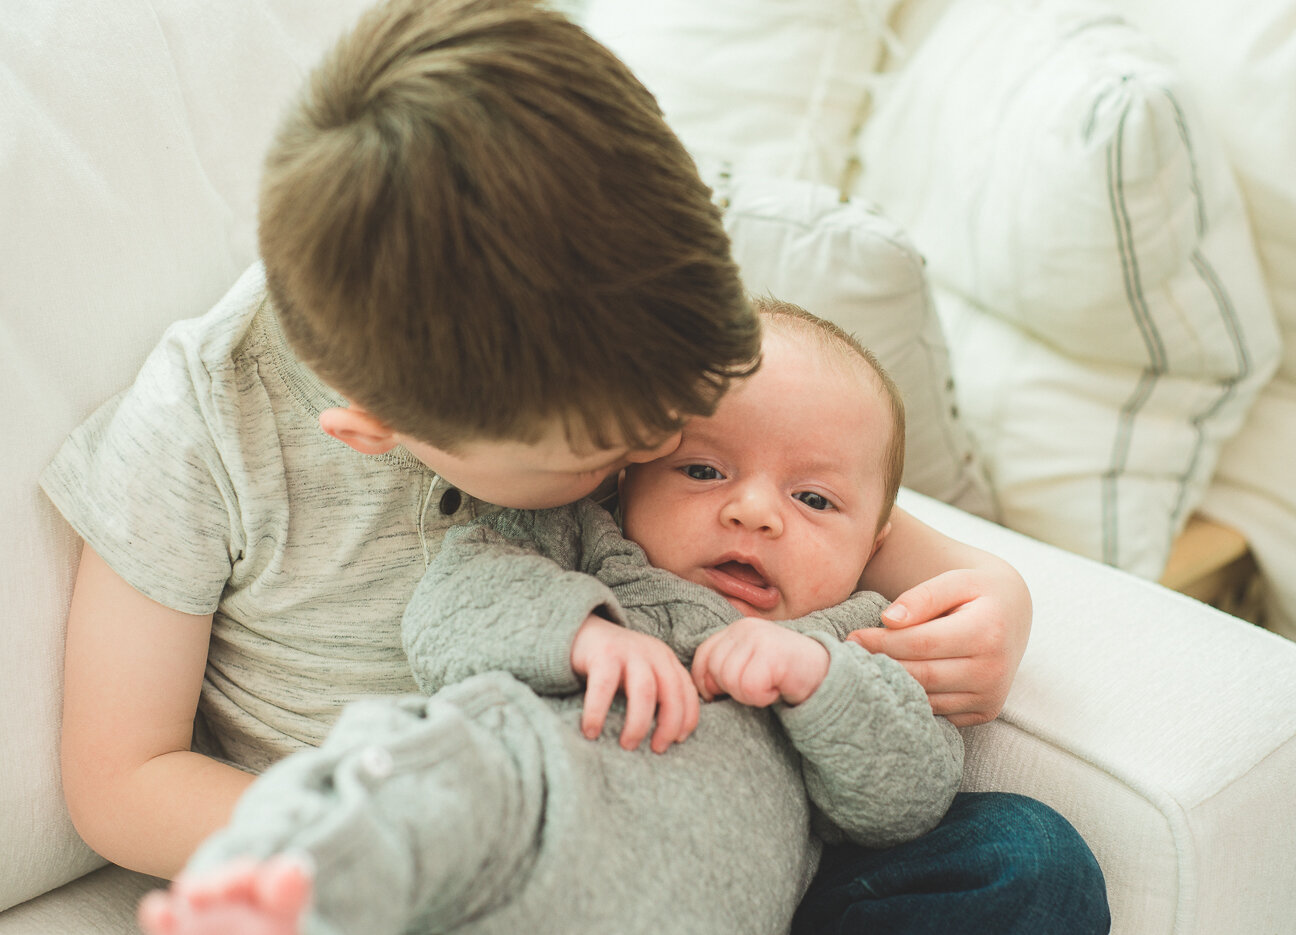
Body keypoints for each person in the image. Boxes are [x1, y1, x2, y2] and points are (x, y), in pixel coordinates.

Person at [38, 0, 1097, 929]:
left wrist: (983, 589)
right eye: (612, 452)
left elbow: (798, 493)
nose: (649, 452)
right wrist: (396, 848)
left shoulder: (619, 298)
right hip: (446, 865)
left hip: (719, 831)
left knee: (1023, 861)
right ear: (374, 430)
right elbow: (121, 779)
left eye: (673, 427)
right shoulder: (200, 426)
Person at [137, 301, 969, 935]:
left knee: (1024, 854)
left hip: (700, 900)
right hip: (525, 799)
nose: (753, 511)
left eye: (814, 497)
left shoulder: (855, 635)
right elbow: (447, 610)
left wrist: (818, 684)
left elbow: (908, 797)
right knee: (426, 772)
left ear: (874, 543)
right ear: (628, 473)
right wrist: (583, 630)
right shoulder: (586, 537)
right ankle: (277, 885)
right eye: (705, 469)